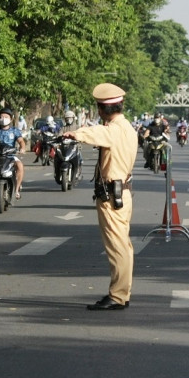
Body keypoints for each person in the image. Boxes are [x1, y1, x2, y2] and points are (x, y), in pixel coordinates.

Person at [63, 83, 137, 310]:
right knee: (123, 246)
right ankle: (122, 292)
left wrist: (74, 133)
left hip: (111, 195)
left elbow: (98, 133)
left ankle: (117, 296)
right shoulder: (128, 128)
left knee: (117, 247)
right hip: (122, 193)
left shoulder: (113, 130)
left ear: (103, 109)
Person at [0, 107, 25, 199]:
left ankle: (16, 189)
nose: (3, 119)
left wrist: (22, 148)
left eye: (6, 117)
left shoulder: (15, 131)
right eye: (1, 117)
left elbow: (21, 141)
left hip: (10, 156)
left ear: (11, 119)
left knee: (19, 165)